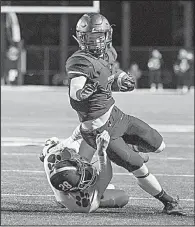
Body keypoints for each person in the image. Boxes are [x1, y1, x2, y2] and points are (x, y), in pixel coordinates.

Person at [65, 13, 184, 215]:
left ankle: (131, 144)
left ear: (107, 36)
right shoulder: (79, 61)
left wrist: (120, 81)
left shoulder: (108, 54)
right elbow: (76, 93)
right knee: (138, 166)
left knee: (159, 144)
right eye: (91, 38)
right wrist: (81, 92)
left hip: (118, 117)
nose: (97, 42)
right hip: (100, 132)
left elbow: (107, 79)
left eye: (100, 37)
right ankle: (168, 201)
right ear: (81, 38)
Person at [40, 130, 129, 213]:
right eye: (85, 175)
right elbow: (106, 175)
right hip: (76, 199)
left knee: (91, 138)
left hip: (64, 185)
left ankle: (49, 148)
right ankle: (64, 201)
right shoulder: (88, 203)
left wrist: (83, 132)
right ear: (80, 188)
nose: (87, 169)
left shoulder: (52, 159)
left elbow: (74, 143)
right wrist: (102, 152)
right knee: (123, 197)